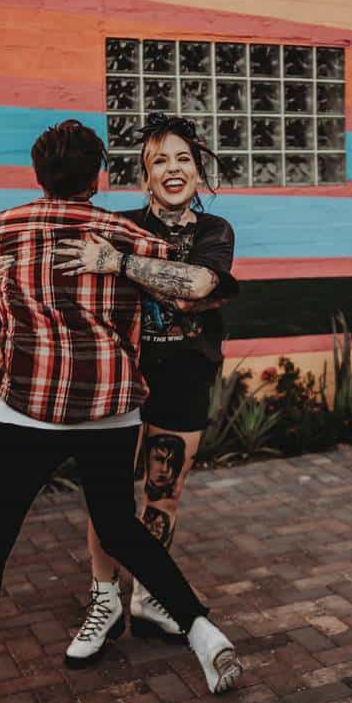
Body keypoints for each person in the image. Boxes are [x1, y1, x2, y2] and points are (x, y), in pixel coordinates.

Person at [0, 119, 241, 703]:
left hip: (25, 407)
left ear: (38, 175)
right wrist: (117, 262)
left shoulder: (3, 227)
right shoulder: (124, 233)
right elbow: (188, 285)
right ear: (102, 177)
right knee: (121, 526)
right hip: (109, 406)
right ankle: (201, 628)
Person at [60, 114, 240, 664]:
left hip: (184, 376)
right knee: (109, 498)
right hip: (121, 379)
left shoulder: (214, 233)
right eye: (160, 159)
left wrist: (118, 263)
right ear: (145, 177)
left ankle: (149, 595)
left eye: (183, 158)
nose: (173, 168)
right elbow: (61, 256)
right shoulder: (117, 224)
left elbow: (198, 287)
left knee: (164, 493)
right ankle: (104, 599)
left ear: (197, 169)